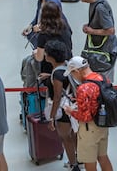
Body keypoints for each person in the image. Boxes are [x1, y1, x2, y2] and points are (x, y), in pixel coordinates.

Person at [62, 56, 115, 171]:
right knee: (103, 157)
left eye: (72, 73)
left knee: (89, 162)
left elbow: (85, 116)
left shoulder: (84, 88)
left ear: (77, 71)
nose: (73, 76)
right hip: (103, 124)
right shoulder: (102, 78)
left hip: (89, 129)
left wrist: (70, 111)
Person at [40, 40, 78, 171]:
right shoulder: (66, 66)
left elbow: (57, 97)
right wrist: (49, 76)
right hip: (72, 107)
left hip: (63, 110)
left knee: (65, 137)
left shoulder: (57, 74)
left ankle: (73, 165)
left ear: (51, 56)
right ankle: (80, 160)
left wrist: (51, 118)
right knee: (73, 134)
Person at [75, 0, 117, 82]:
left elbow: (111, 30)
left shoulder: (100, 8)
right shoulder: (95, 2)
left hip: (104, 51)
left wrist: (91, 31)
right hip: (99, 50)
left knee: (103, 81)